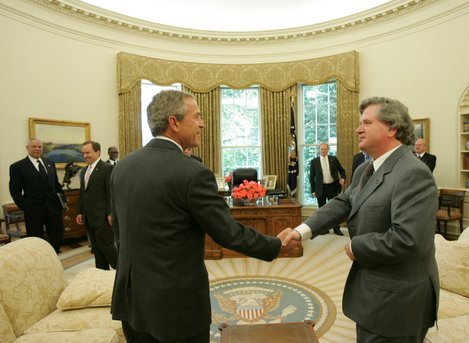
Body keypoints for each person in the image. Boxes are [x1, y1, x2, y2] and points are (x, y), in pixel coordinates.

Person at [110, 90, 283, 343]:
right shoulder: (193, 173)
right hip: (176, 307)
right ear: (174, 122)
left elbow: (119, 235)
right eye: (197, 116)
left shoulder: (122, 168)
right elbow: (229, 234)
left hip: (131, 301)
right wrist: (275, 245)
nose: (202, 123)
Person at [281, 97, 439, 342]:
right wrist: (301, 231)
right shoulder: (365, 169)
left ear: (391, 128)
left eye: (367, 122)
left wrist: (356, 246)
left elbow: (409, 239)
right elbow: (344, 202)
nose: (358, 129)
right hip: (374, 293)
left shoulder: (413, 173)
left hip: (397, 302)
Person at [9, 139, 66, 254]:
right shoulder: (18, 167)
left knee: (57, 236)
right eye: (33, 147)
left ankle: (53, 258)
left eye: (39, 147)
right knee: (35, 241)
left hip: (53, 208)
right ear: (27, 148)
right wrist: (25, 206)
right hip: (33, 210)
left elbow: (56, 185)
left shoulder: (50, 163)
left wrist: (62, 201)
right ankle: (39, 263)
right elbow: (15, 191)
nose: (37, 149)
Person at [76, 141, 117, 270]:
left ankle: (122, 273)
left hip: (103, 218)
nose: (84, 156)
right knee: (97, 251)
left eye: (87, 152)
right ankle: (102, 276)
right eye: (83, 153)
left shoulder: (107, 168)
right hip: (89, 218)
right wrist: (80, 212)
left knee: (108, 249)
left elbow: (110, 193)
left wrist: (110, 213)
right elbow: (83, 194)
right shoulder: (83, 171)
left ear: (97, 152)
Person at [309, 142, 346, 235]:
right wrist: (313, 190)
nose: (323, 151)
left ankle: (336, 228)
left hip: (333, 187)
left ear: (328, 150)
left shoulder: (333, 159)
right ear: (319, 150)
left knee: (334, 209)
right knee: (322, 210)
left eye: (325, 149)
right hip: (320, 188)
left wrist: (343, 178)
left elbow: (342, 170)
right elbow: (311, 177)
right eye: (322, 149)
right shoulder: (314, 161)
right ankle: (324, 229)